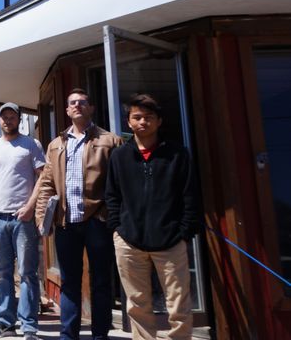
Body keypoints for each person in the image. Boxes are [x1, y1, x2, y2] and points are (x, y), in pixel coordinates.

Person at [105, 94, 202, 340]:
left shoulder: (177, 154)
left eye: (148, 117)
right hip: (129, 241)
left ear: (159, 121)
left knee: (179, 303)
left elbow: (190, 194)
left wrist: (184, 231)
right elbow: (112, 196)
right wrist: (117, 228)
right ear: (128, 122)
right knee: (137, 304)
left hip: (170, 240)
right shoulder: (119, 156)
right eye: (137, 117)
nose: (143, 122)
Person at [35, 88, 122, 340]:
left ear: (91, 108)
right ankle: (68, 335)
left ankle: (100, 335)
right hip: (66, 224)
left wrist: (111, 217)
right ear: (66, 110)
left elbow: (118, 184)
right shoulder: (56, 144)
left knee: (101, 282)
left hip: (98, 222)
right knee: (70, 283)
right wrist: (43, 218)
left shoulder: (110, 141)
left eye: (82, 102)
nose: (77, 106)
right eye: (72, 103)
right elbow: (46, 185)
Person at [0, 102, 46, 340]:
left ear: (18, 119)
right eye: (4, 117)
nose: (8, 120)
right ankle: (5, 323)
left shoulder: (31, 144)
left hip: (22, 219)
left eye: (12, 116)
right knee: (2, 272)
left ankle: (29, 327)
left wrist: (30, 207)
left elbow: (42, 178)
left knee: (28, 273)